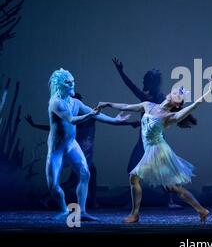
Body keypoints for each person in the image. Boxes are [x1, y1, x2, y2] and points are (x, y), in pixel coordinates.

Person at [96, 80, 212, 223]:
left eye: (179, 96)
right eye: (175, 92)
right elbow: (126, 106)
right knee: (173, 187)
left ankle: (135, 214)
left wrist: (209, 91)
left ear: (177, 104)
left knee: (134, 177)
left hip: (158, 152)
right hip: (150, 150)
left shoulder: (170, 116)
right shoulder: (147, 105)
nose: (176, 94)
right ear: (169, 94)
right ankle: (201, 210)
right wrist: (108, 104)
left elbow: (195, 104)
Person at [26, 93, 138, 208]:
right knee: (73, 181)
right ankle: (46, 198)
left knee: (92, 173)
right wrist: (35, 125)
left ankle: (93, 201)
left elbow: (110, 121)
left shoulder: (85, 115)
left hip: (86, 151)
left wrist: (130, 123)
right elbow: (54, 128)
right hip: (82, 152)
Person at [46, 68, 130, 221]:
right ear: (59, 85)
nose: (72, 84)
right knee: (53, 186)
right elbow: (71, 119)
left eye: (72, 81)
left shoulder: (76, 102)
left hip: (71, 145)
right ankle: (64, 210)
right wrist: (91, 114)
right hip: (56, 149)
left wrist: (116, 121)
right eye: (67, 82)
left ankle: (82, 212)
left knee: (85, 173)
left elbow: (96, 114)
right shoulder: (55, 102)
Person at [112, 59, 186, 209]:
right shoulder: (156, 98)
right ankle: (134, 201)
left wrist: (121, 71)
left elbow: (132, 87)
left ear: (153, 83)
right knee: (133, 169)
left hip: (154, 141)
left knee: (163, 171)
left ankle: (169, 201)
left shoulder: (155, 98)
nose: (143, 83)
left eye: (146, 81)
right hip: (144, 140)